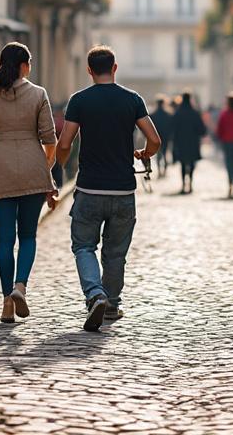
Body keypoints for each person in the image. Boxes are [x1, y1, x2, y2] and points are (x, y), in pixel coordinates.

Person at [56, 46, 162, 331]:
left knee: (83, 246)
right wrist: (145, 153)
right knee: (115, 253)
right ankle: (112, 303)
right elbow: (154, 139)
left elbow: (65, 143)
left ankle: (95, 294)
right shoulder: (132, 99)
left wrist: (60, 166)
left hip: (89, 189)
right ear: (115, 68)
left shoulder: (79, 100)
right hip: (123, 191)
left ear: (89, 70)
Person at [0, 42, 60, 324]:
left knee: (5, 240)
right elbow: (50, 138)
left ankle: (7, 301)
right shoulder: (39, 94)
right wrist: (45, 170)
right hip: (33, 167)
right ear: (24, 65)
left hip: (1, 169)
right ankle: (21, 286)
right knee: (28, 236)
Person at [171, 91, 207, 194]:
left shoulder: (178, 113)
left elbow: (172, 127)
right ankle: (190, 183)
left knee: (183, 164)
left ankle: (183, 185)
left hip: (181, 142)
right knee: (191, 163)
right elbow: (202, 130)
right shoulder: (195, 113)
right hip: (193, 142)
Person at [149, 95, 174, 178]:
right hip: (166, 137)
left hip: (156, 137)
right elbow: (171, 127)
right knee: (165, 154)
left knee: (158, 155)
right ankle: (165, 171)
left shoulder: (153, 115)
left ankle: (159, 171)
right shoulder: (168, 114)